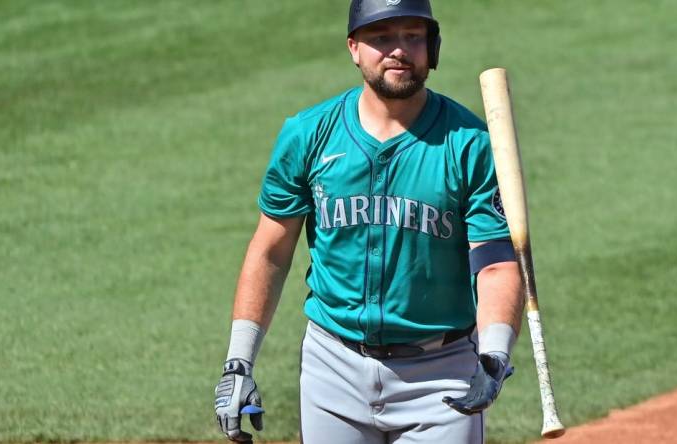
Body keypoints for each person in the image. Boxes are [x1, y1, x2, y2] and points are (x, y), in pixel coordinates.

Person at [214, 1, 524, 443]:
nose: (399, 50)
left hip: (440, 375)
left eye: (413, 36)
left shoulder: (470, 145)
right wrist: (238, 362)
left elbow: (494, 263)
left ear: (432, 47)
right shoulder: (308, 135)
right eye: (382, 38)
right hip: (332, 368)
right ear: (354, 48)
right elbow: (270, 251)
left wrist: (494, 352)